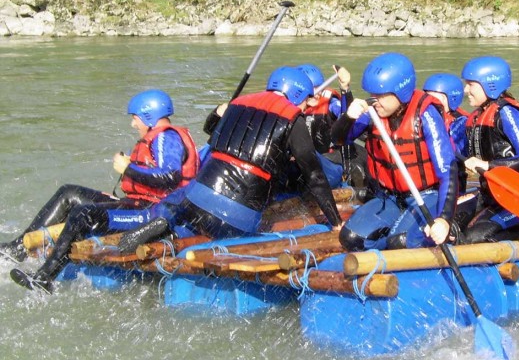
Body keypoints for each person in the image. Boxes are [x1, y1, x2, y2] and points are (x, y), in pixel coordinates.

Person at [116, 66, 344, 252]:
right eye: (305, 101)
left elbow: (211, 129)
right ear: (296, 95)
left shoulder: (238, 104)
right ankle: (172, 239)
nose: (305, 107)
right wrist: (335, 221)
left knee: (191, 214)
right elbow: (315, 176)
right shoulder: (294, 119)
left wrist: (217, 111)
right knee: (223, 228)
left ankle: (165, 226)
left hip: (192, 200)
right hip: (233, 218)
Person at [9, 89, 199, 292]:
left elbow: (169, 178)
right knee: (69, 194)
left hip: (152, 214)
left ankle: (44, 278)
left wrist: (128, 168)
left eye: (135, 119)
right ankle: (17, 249)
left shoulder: (166, 138)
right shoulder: (160, 138)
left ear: (147, 116)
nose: (133, 124)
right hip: (138, 203)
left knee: (84, 214)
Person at [331, 52, 459, 251]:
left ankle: (446, 236)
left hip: (428, 196)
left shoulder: (426, 115)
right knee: (350, 238)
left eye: (381, 96)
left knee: (398, 242)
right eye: (374, 95)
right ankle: (382, 251)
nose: (376, 100)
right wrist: (348, 118)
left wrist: (443, 220)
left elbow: (448, 172)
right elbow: (339, 139)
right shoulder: (374, 111)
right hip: (391, 198)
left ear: (401, 92)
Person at [454, 56, 519, 244]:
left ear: (490, 85)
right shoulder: (476, 117)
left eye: (471, 84)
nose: (466, 89)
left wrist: (487, 165)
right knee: (450, 227)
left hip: (512, 200)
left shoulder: (507, 113)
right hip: (488, 196)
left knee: (473, 238)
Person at [296, 63, 367, 189]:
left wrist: (344, 88)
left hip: (331, 157)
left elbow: (346, 115)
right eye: (313, 88)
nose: (317, 93)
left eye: (320, 87)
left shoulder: (331, 103)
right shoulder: (292, 106)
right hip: (307, 157)